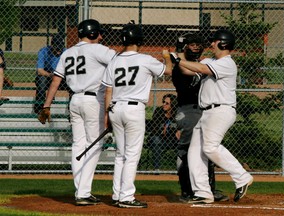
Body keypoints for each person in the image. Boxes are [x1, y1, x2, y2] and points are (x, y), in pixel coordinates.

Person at [37, 19, 116, 206]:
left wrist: (46, 105)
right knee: (94, 145)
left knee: (78, 145)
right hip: (93, 100)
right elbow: (121, 63)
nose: (101, 36)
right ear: (92, 33)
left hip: (74, 100)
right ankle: (83, 192)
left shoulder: (68, 52)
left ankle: (81, 190)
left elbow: (56, 80)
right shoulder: (99, 49)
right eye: (98, 33)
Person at [170, 29, 253, 204]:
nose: (211, 44)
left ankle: (242, 177)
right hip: (206, 113)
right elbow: (187, 71)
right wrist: (177, 56)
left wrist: (178, 59)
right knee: (194, 153)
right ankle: (203, 193)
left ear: (223, 44)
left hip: (221, 110)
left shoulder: (227, 63)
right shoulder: (210, 61)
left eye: (214, 42)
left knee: (210, 147)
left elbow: (199, 68)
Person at [102, 21, 172, 208]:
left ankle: (117, 194)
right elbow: (169, 71)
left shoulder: (114, 60)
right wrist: (167, 56)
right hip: (133, 109)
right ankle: (126, 197)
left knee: (121, 154)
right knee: (132, 155)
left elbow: (108, 91)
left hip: (115, 108)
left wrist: (106, 116)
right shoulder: (145, 59)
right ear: (139, 40)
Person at [171, 33, 229, 202]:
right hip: (188, 110)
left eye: (198, 44)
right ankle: (187, 190)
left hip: (204, 111)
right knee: (186, 150)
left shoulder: (203, 64)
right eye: (192, 44)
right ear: (184, 47)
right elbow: (187, 83)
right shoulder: (180, 67)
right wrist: (177, 57)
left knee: (207, 149)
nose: (196, 47)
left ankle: (208, 189)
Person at [34, 33, 69, 114]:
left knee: (73, 82)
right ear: (51, 45)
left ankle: (72, 110)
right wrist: (50, 75)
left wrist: (59, 75)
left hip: (62, 78)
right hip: (48, 77)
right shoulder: (44, 51)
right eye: (56, 48)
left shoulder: (66, 52)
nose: (58, 51)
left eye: (60, 48)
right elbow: (40, 70)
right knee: (41, 79)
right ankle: (39, 108)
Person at [148, 93, 178, 173]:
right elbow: (154, 128)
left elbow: (180, 128)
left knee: (184, 140)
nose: (164, 104)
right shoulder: (158, 111)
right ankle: (156, 169)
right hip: (159, 139)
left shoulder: (178, 113)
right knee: (156, 140)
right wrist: (162, 131)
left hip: (173, 140)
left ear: (173, 104)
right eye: (163, 102)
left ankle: (181, 168)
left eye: (167, 103)